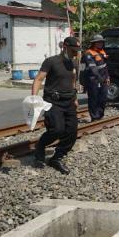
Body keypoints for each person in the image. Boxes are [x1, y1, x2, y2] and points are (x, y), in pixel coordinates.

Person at [31, 36, 81, 174]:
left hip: (69, 101)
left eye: (77, 50)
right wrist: (34, 98)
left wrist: (75, 97)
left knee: (72, 132)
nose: (76, 53)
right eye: (73, 50)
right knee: (57, 130)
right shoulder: (51, 61)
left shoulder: (74, 63)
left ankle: (57, 158)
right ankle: (40, 146)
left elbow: (73, 81)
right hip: (53, 102)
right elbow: (38, 79)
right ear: (65, 47)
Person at [81, 34, 109, 121]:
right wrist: (100, 79)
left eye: (101, 42)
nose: (101, 43)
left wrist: (107, 77)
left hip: (103, 79)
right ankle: (94, 117)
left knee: (103, 98)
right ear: (94, 43)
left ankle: (100, 115)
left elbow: (104, 66)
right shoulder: (88, 53)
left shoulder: (102, 52)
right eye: (98, 42)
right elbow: (93, 69)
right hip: (93, 80)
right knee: (94, 98)